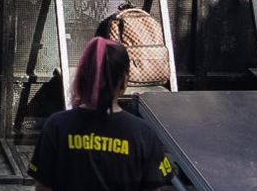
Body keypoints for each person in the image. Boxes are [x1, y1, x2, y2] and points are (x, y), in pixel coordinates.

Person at [28, 36, 173, 191]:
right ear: (125, 80)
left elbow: (43, 187)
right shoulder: (144, 134)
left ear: (82, 78)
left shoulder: (56, 126)